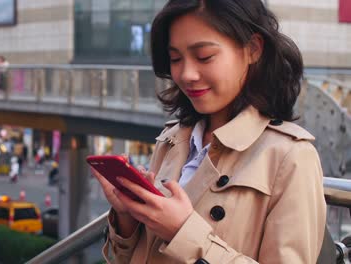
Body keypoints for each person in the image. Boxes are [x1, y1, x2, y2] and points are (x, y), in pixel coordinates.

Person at [92, 1, 333, 263]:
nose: (186, 74)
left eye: (204, 56)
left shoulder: (291, 157)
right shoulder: (172, 140)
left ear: (253, 48)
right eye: (175, 59)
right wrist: (127, 217)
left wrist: (183, 233)